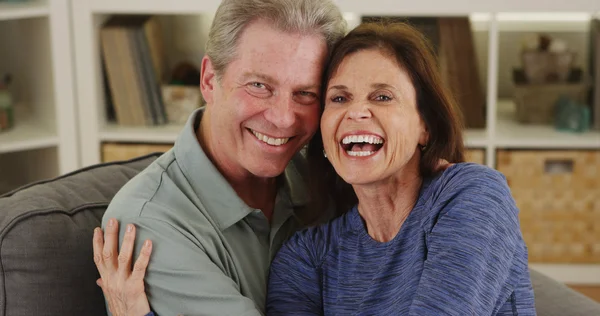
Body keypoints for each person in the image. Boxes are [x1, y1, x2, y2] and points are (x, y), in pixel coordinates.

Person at [96, 21, 537, 315]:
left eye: (382, 97)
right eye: (338, 98)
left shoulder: (473, 197)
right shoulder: (307, 256)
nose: (357, 113)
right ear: (324, 131)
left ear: (425, 125)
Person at [92, 0, 347, 315]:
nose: (283, 119)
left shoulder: (328, 177)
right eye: (259, 86)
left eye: (306, 93)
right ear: (210, 80)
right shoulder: (150, 223)